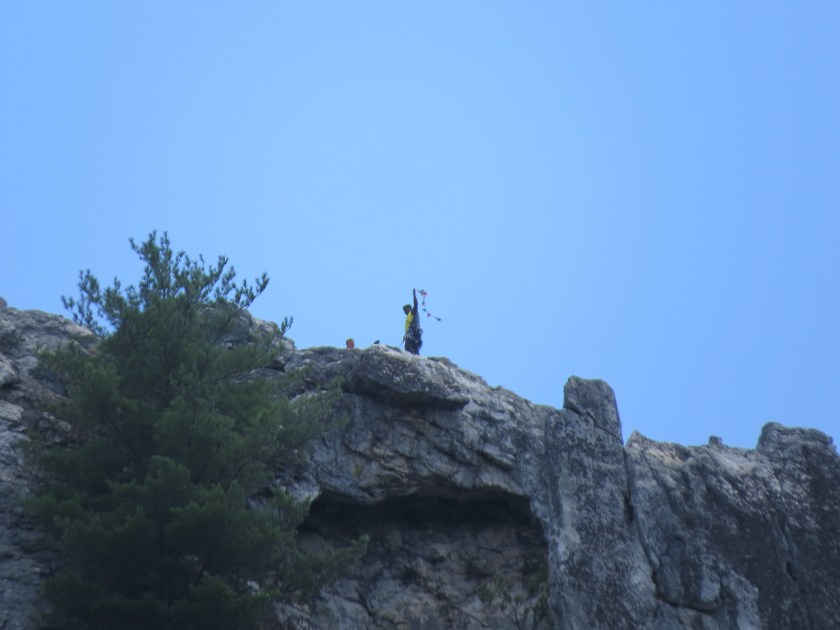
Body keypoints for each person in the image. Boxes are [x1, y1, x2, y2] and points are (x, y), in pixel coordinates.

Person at [402, 289, 423, 354]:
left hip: (413, 332)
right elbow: (408, 327)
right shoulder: (409, 316)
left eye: (405, 310)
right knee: (414, 347)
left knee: (408, 347)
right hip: (413, 333)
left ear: (409, 308)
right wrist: (405, 336)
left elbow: (416, 304)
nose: (405, 312)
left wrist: (414, 295)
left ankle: (412, 359)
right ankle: (416, 359)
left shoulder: (413, 311)